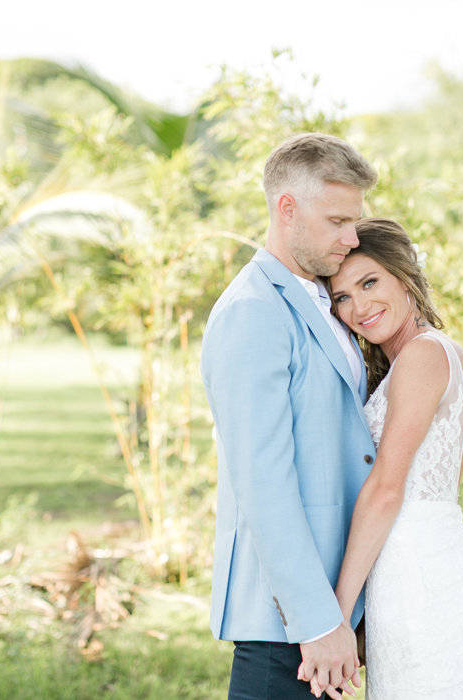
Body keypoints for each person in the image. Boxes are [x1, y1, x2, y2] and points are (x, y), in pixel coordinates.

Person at [200, 133, 379, 699]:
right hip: (289, 624)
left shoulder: (326, 297)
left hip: (333, 604)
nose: (352, 238)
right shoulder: (252, 312)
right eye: (337, 221)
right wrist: (317, 621)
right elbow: (263, 484)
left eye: (355, 221)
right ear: (287, 209)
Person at [315, 217, 463, 698]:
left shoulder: (423, 357)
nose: (358, 307)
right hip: (418, 565)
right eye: (341, 296)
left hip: (417, 577)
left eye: (369, 282)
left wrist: (336, 617)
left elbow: (388, 490)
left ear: (404, 276)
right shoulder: (436, 354)